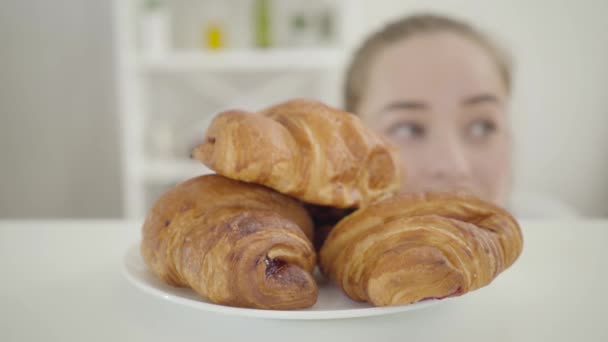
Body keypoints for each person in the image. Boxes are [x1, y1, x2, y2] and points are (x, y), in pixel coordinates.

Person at [344, 13, 577, 218]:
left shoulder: (567, 236)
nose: (454, 166)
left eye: (482, 126)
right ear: (350, 147)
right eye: (409, 129)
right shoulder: (317, 262)